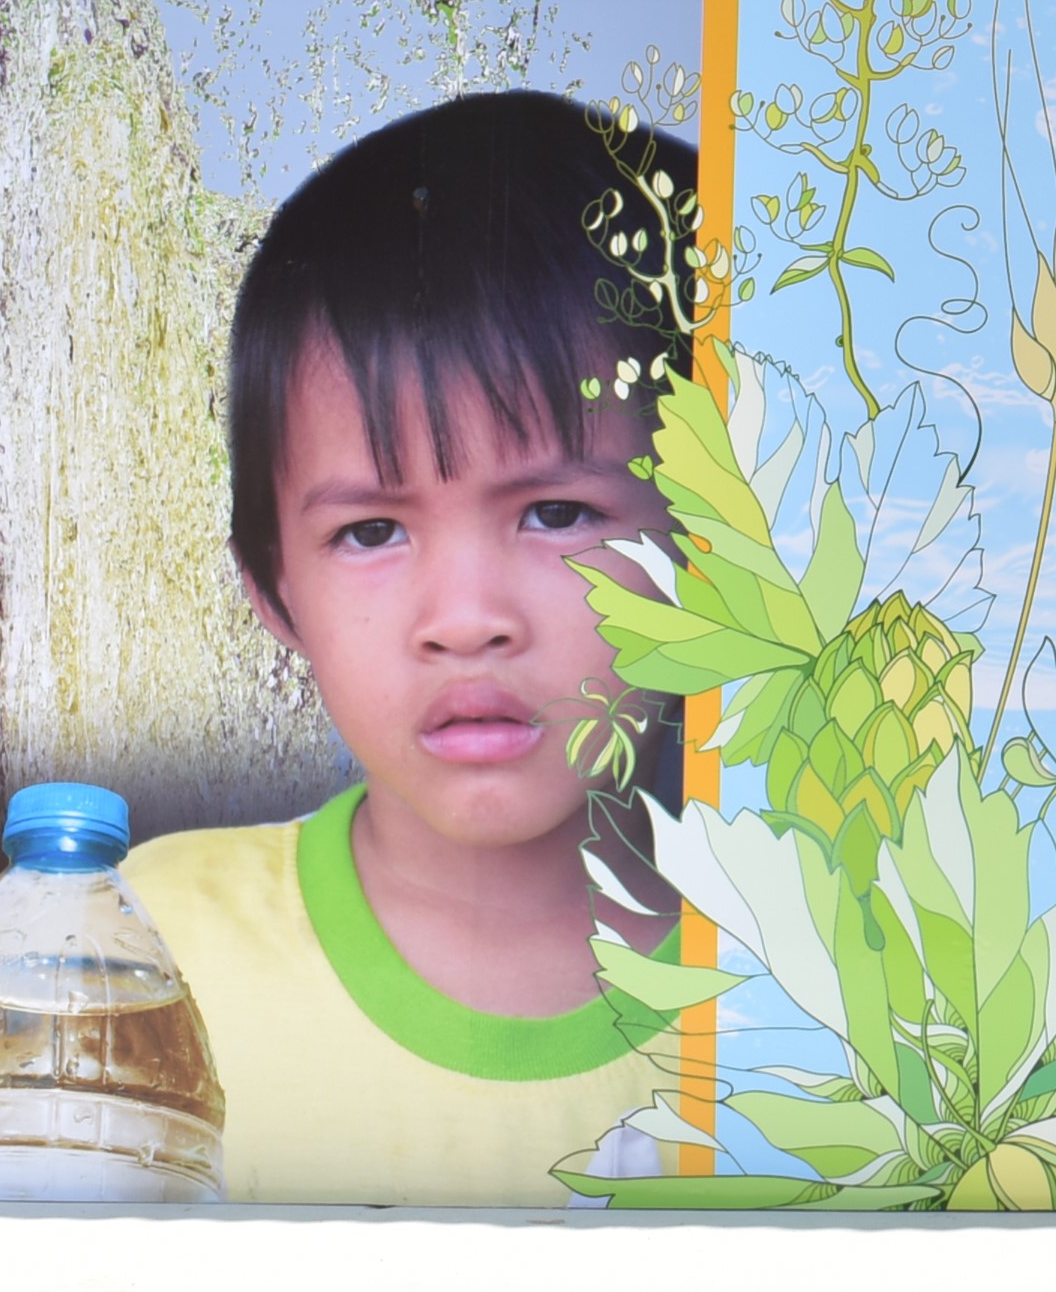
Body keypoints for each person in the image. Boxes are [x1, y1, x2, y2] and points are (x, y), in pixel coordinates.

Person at [121, 91, 688, 1205]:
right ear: (278, 591)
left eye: (558, 512)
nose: (466, 615)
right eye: (372, 531)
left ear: (715, 534)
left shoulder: (839, 989)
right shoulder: (149, 956)